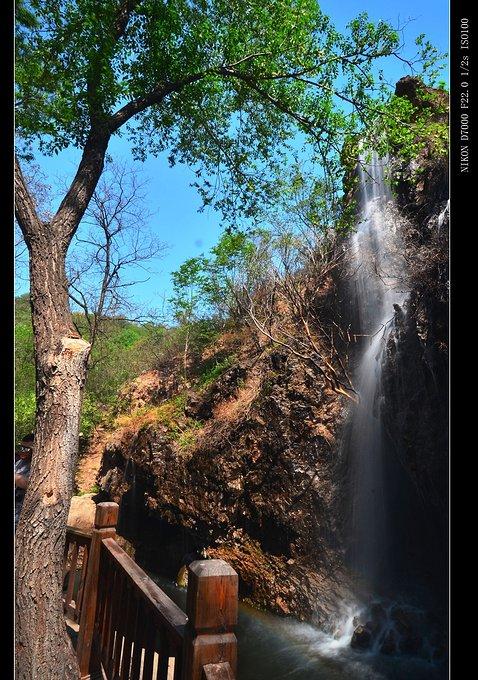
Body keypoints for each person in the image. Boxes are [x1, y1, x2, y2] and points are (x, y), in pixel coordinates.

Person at [15, 433, 34, 531]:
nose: (22, 451)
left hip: (23, 516)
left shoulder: (38, 465)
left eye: (26, 449)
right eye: (21, 447)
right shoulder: (19, 463)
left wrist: (16, 478)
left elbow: (31, 485)